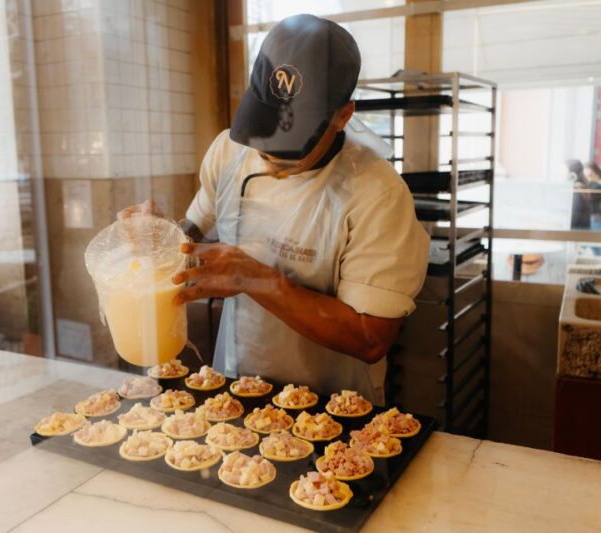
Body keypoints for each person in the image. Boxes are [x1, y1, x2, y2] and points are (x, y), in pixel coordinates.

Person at [119, 15, 429, 404]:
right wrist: (161, 235)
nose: (267, 151)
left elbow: (370, 339)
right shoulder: (229, 153)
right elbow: (192, 232)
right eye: (262, 126)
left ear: (343, 115)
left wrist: (258, 279)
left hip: (334, 411)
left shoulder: (377, 193)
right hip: (234, 391)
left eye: (293, 139)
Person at [567, 159, 591, 230]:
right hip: (580, 231)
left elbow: (574, 215)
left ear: (571, 173)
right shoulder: (580, 186)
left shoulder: (577, 188)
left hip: (577, 233)